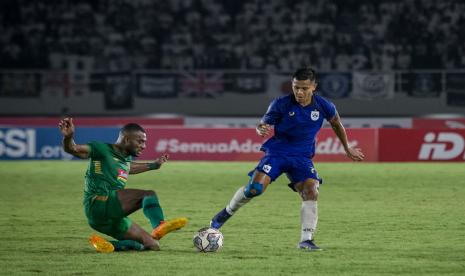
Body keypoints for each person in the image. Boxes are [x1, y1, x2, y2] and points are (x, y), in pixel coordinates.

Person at [210, 67, 364, 250]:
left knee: (312, 190)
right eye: (296, 87)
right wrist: (260, 129)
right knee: (255, 189)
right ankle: (224, 214)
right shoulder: (280, 104)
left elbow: (336, 123)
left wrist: (346, 147)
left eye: (304, 88)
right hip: (278, 153)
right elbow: (263, 124)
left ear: (314, 87)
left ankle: (306, 240)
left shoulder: (324, 105)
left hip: (302, 157)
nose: (299, 92)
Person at [59, 117, 188, 252]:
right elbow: (72, 149)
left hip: (104, 218)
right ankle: (160, 225)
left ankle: (110, 246)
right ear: (127, 140)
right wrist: (69, 137)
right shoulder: (101, 149)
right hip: (99, 202)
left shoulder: (125, 159)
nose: (143, 146)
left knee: (152, 245)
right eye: (140, 141)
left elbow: (127, 168)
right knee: (148, 195)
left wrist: (153, 165)